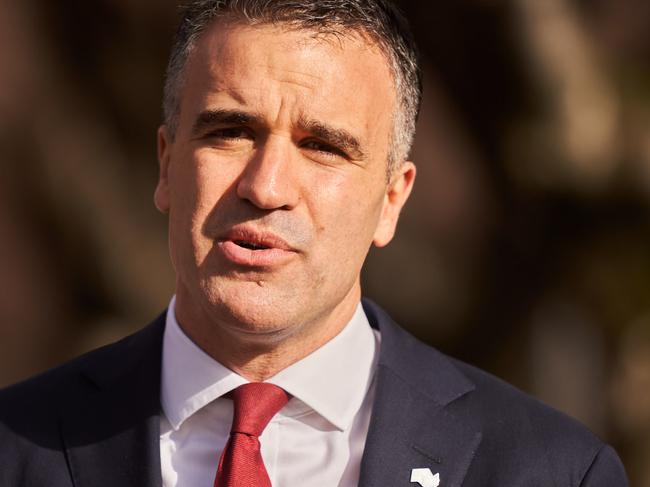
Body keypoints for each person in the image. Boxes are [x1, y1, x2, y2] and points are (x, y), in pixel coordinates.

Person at [0, 1, 628, 486]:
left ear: (392, 199)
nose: (267, 187)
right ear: (166, 166)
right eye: (230, 132)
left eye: (323, 146)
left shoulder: (551, 471)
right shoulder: (16, 449)